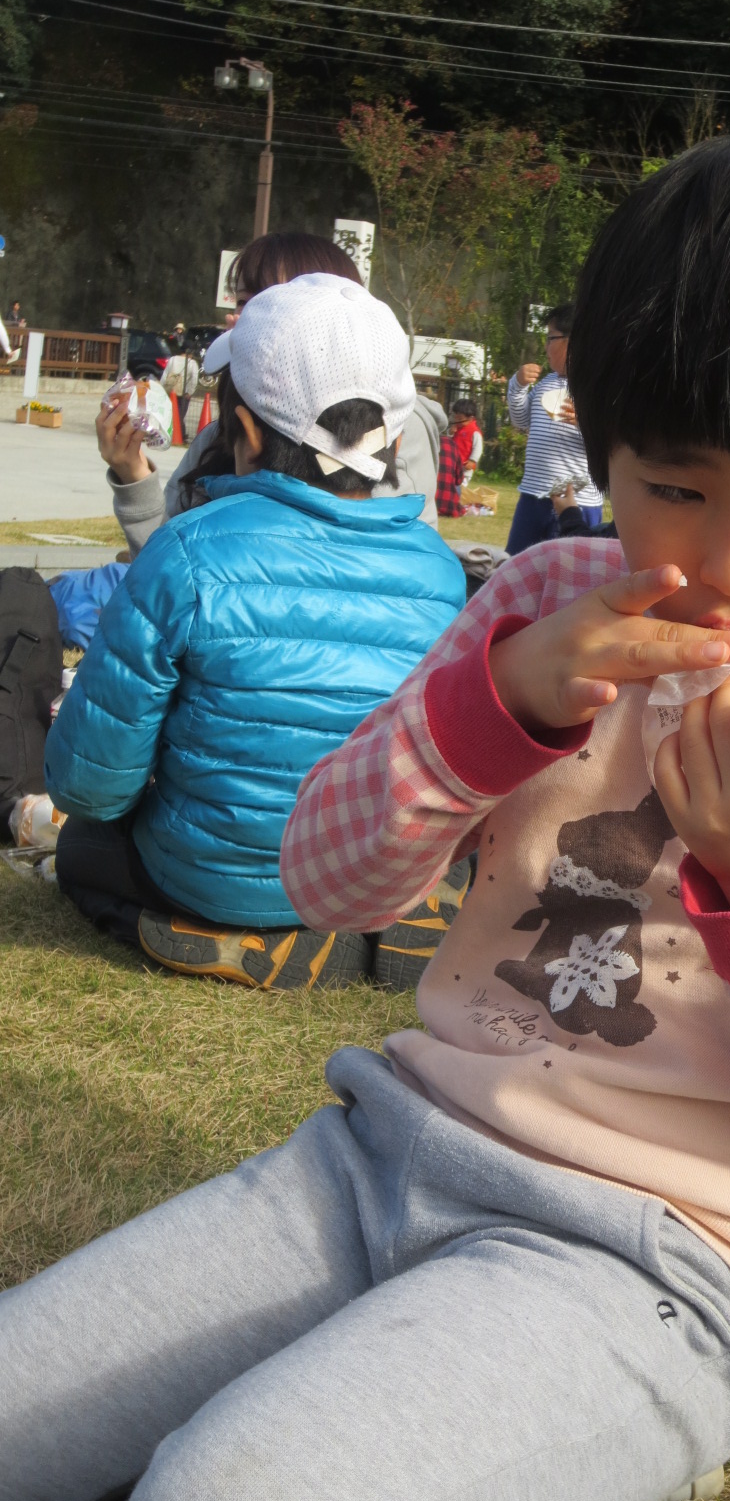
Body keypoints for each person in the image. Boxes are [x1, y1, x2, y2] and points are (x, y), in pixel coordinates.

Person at [0, 139, 730, 1501]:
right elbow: (326, 883)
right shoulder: (546, 601)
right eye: (675, 485)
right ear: (601, 447)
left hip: (672, 1265)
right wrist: (492, 708)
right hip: (378, 1159)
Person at [44, 272, 466, 990]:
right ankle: (376, 935)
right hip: (366, 876)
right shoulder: (442, 574)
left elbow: (90, 786)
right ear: (393, 436)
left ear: (242, 431)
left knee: (83, 848)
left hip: (211, 879)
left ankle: (223, 931)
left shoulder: (187, 550)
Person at [96, 233, 447, 550]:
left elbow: (392, 559)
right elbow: (165, 574)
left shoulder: (393, 423)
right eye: (242, 302)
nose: (238, 320)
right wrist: (134, 475)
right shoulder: (224, 432)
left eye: (265, 303)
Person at [504, 303, 604, 553]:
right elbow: (520, 420)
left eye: (551, 338)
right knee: (518, 561)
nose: (546, 347)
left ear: (574, 342)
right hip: (534, 494)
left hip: (578, 501)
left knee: (573, 566)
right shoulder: (546, 383)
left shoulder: (598, 388)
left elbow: (614, 442)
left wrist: (588, 422)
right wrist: (517, 386)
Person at [162, 333, 200, 442]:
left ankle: (169, 434)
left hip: (170, 391)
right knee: (180, 415)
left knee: (168, 413)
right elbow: (194, 379)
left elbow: (165, 375)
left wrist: (163, 388)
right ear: (191, 352)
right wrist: (190, 392)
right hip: (183, 393)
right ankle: (180, 436)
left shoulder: (173, 359)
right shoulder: (192, 363)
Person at [450, 397, 484, 485]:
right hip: (452, 464)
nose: (456, 421)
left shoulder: (474, 432)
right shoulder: (456, 428)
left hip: (465, 468)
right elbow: (449, 442)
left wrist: (472, 460)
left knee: (460, 487)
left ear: (470, 418)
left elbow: (478, 448)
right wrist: (450, 433)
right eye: (455, 417)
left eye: (460, 419)